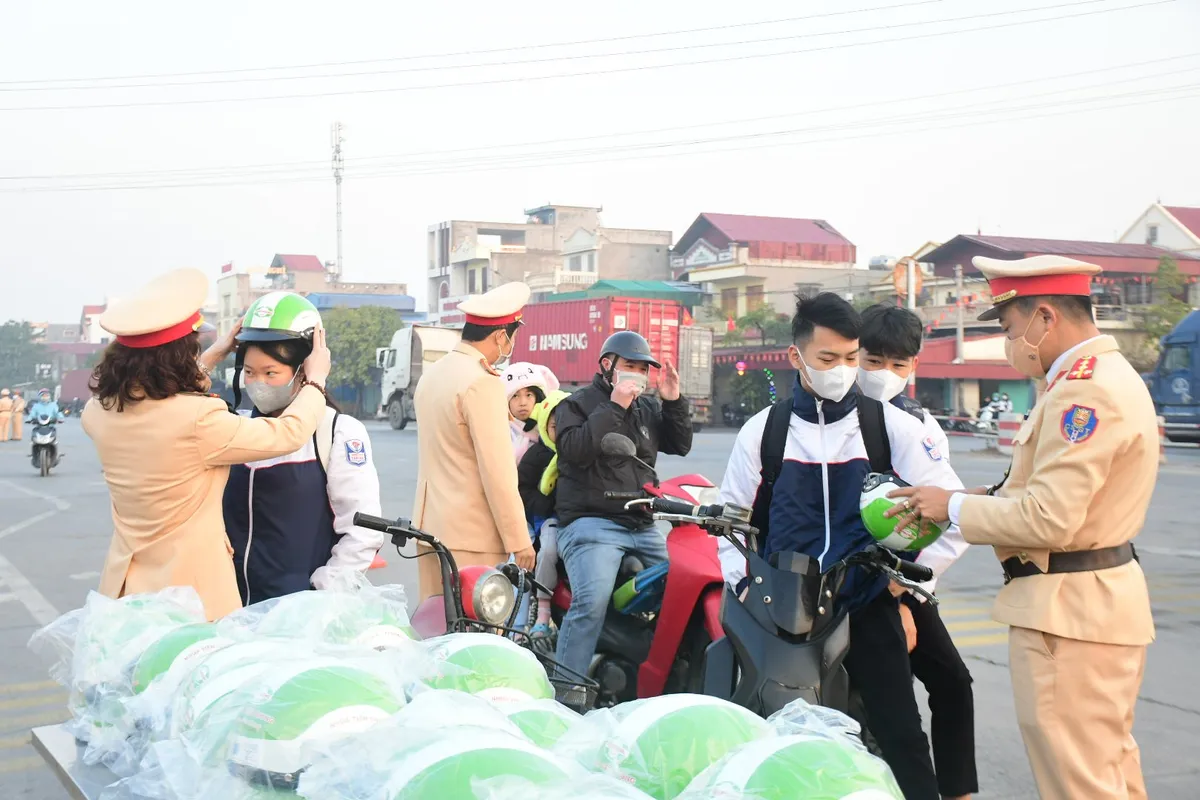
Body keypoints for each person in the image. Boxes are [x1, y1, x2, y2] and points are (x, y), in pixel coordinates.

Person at [888, 255, 1157, 800]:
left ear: (1046, 319)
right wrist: (955, 497)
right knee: (1107, 770)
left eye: (1011, 330)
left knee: (1076, 780)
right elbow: (1037, 494)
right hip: (1093, 607)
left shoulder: (1083, 392)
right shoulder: (1099, 377)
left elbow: (1049, 517)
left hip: (1070, 617)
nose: (1011, 345)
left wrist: (953, 510)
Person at [717, 293, 965, 800]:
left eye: (852, 358)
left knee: (901, 735)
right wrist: (744, 587)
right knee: (760, 734)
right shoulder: (764, 431)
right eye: (828, 359)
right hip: (780, 605)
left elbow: (952, 513)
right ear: (797, 356)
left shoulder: (892, 428)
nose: (843, 370)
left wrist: (905, 584)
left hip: (865, 601)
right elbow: (733, 520)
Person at [82, 268, 330, 620]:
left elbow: (158, 393)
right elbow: (287, 433)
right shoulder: (199, 419)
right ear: (180, 354)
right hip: (189, 599)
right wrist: (316, 381)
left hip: (126, 590)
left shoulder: (98, 413)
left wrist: (215, 353)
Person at [857, 303, 976, 800]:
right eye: (874, 360)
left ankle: (959, 793)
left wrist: (905, 593)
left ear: (915, 366)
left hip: (891, 580)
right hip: (835, 580)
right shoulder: (817, 415)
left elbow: (953, 516)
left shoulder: (915, 425)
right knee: (897, 713)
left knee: (952, 686)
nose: (885, 374)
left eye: (898, 364)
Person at [222, 292, 384, 605]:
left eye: (270, 373)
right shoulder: (233, 427)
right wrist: (216, 352)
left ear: (304, 368)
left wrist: (319, 599)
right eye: (250, 372)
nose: (257, 383)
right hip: (230, 613)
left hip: (300, 619)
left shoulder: (336, 432)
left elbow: (362, 533)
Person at [552, 330, 692, 677]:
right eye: (630, 366)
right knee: (591, 601)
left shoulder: (646, 407)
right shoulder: (576, 404)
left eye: (644, 369)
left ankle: (668, 676)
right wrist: (615, 405)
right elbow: (575, 451)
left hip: (642, 522)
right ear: (607, 365)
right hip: (591, 523)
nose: (638, 375)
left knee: (686, 589)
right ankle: (567, 690)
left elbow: (680, 444)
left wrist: (673, 400)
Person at [412, 282, 536, 602]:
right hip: (471, 537)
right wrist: (519, 540)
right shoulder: (482, 382)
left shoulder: (434, 375)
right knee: (475, 641)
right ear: (500, 336)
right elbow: (498, 471)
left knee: (435, 630)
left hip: (429, 528)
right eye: (513, 335)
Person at [517, 388, 571, 640]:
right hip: (547, 519)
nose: (559, 431)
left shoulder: (580, 453)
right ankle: (543, 611)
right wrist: (544, 504)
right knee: (548, 551)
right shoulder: (537, 454)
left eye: (567, 425)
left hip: (577, 518)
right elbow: (522, 487)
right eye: (553, 426)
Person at [503, 361, 557, 466]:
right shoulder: (500, 433)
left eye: (528, 395)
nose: (523, 403)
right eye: (515, 396)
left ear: (538, 397)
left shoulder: (552, 428)